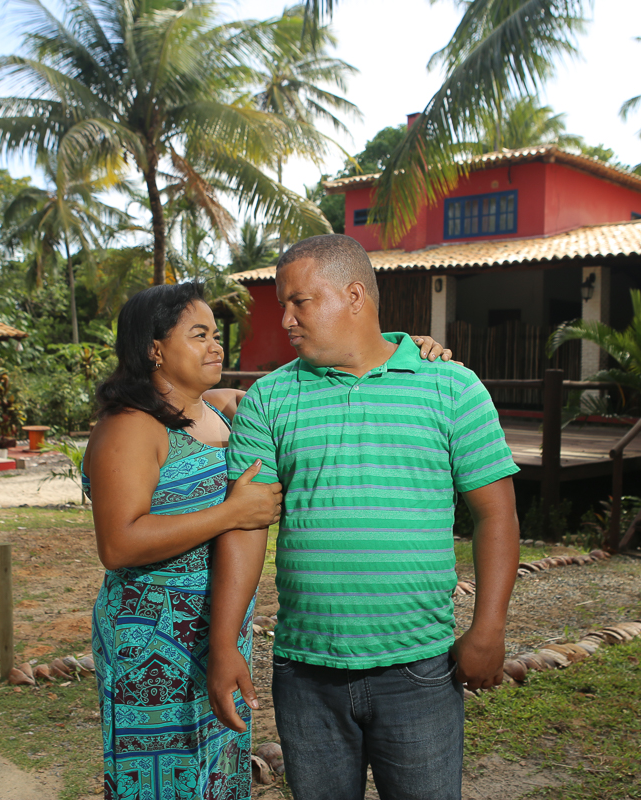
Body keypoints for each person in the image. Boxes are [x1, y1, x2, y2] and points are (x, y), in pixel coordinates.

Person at [83, 281, 454, 800]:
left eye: (216, 334)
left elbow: (317, 373)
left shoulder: (214, 409)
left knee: (215, 773)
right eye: (198, 335)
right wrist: (230, 511)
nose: (216, 346)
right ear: (154, 349)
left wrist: (400, 348)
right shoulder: (129, 428)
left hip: (215, 629)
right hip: (152, 639)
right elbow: (119, 544)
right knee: (163, 778)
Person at [206, 234, 521, 800]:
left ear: (354, 295)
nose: (285, 319)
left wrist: (489, 626)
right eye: (283, 304)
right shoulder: (270, 399)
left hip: (420, 668)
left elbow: (494, 514)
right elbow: (246, 524)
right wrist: (226, 640)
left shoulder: (450, 386)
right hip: (306, 672)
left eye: (299, 301)